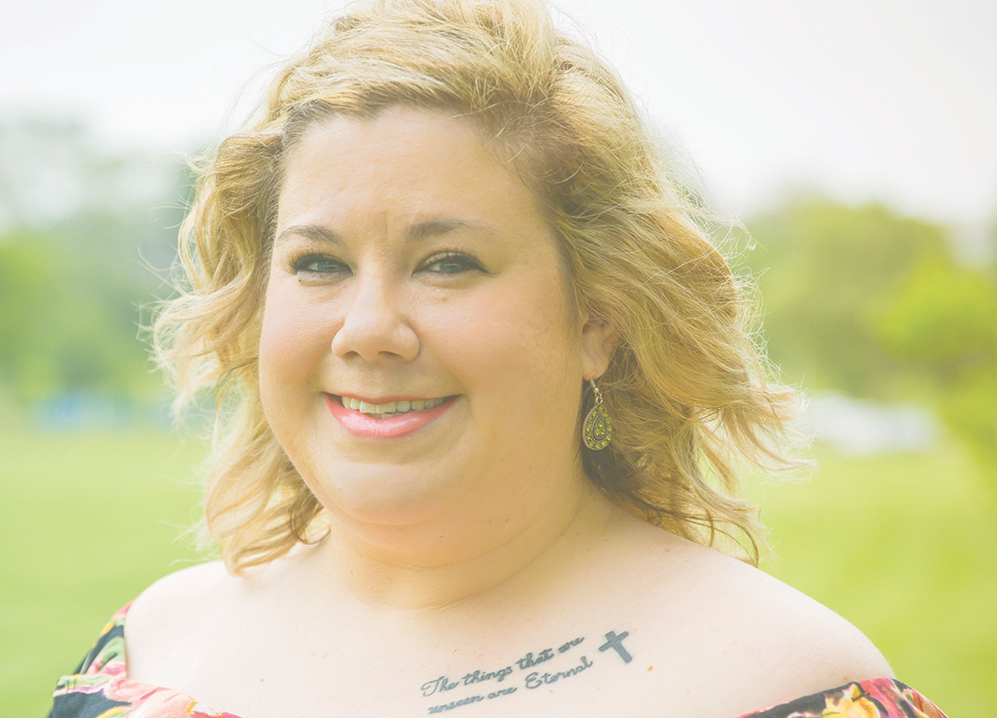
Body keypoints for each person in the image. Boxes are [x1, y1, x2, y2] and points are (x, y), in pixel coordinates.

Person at [48, 1, 948, 716]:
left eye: (448, 263)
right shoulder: (158, 649)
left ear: (599, 317)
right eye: (318, 263)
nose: (367, 329)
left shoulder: (777, 679)